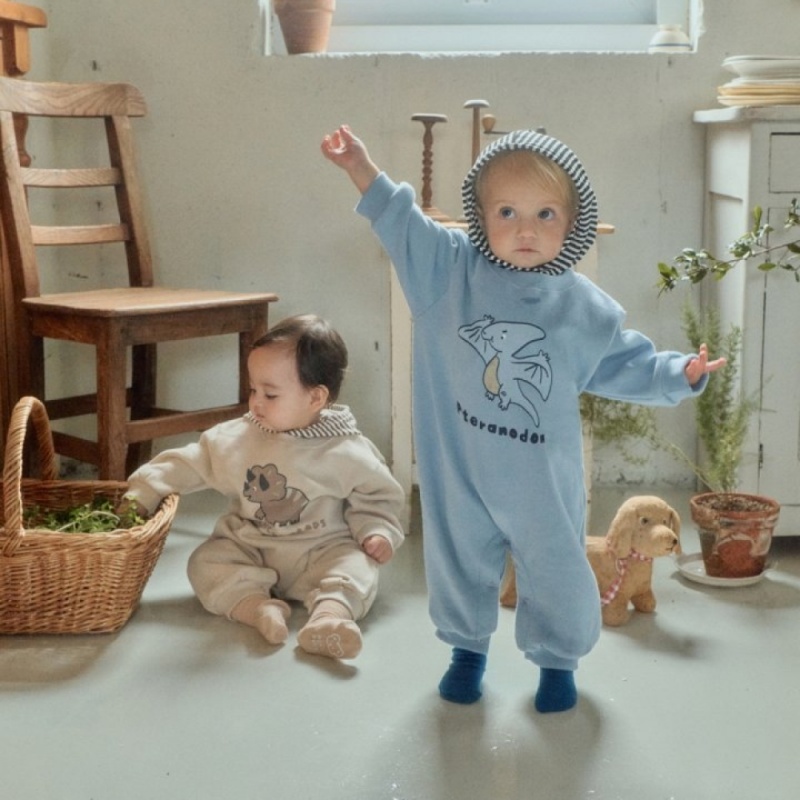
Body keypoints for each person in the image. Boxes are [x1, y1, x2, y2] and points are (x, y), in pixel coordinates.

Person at [321, 125, 725, 710]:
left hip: (542, 476)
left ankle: (557, 663)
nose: (525, 229)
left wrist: (677, 373)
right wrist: (361, 167)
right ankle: (467, 653)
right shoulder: (447, 272)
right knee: (459, 560)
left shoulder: (578, 304)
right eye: (507, 212)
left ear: (573, 222)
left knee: (556, 566)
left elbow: (622, 360)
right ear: (481, 215)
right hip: (459, 467)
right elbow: (400, 222)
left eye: (545, 214)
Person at [124, 313, 405, 660]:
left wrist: (376, 531)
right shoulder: (238, 438)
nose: (256, 402)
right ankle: (257, 608)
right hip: (251, 547)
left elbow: (378, 495)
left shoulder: (346, 449)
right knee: (204, 563)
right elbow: (188, 463)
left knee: (357, 567)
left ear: (316, 398)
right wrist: (144, 492)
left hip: (320, 552)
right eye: (253, 389)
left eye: (270, 394)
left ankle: (328, 618)